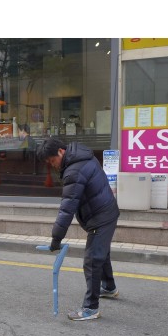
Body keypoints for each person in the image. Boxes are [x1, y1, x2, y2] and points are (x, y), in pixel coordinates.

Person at [36, 138, 120, 321]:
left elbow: (67, 209)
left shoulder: (74, 170)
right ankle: (109, 287)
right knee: (101, 254)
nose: (52, 165)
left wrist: (56, 239)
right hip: (106, 211)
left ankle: (90, 308)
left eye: (52, 160)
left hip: (100, 217)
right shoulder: (81, 155)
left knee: (92, 260)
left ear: (60, 152)